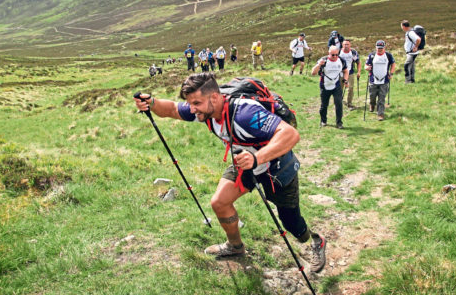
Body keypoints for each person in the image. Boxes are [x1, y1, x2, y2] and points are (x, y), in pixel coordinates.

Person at [133, 73, 327, 272]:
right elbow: (173, 109)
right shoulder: (205, 110)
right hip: (244, 162)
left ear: (215, 98)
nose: (192, 109)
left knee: (292, 224)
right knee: (219, 202)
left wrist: (257, 159)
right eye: (190, 103)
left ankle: (316, 240)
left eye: (196, 103)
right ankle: (235, 247)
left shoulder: (245, 114)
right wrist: (152, 102)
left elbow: (290, 134)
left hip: (276, 166)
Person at [311, 46, 349, 129]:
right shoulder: (323, 60)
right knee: (324, 105)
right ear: (329, 53)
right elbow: (313, 73)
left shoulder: (341, 60)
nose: (335, 56)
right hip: (325, 85)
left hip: (336, 85)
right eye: (333, 55)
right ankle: (323, 121)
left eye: (336, 54)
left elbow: (346, 71)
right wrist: (318, 65)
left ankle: (339, 123)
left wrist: (345, 80)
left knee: (339, 104)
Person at [365, 40, 396, 121]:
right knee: (372, 95)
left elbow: (393, 64)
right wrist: (367, 68)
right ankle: (372, 104)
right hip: (373, 79)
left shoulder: (388, 55)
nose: (380, 50)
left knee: (382, 98)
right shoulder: (372, 55)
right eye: (378, 48)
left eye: (381, 48)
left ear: (384, 47)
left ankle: (380, 114)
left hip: (384, 80)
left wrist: (391, 73)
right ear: (376, 47)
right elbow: (366, 65)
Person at [339, 40, 360, 110]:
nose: (346, 46)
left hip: (350, 72)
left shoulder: (353, 53)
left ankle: (349, 103)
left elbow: (358, 62)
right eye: (345, 44)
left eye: (347, 44)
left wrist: (359, 72)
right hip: (340, 73)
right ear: (342, 45)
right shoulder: (339, 52)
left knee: (350, 88)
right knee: (339, 88)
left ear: (350, 45)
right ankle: (339, 101)